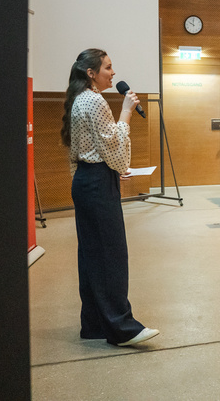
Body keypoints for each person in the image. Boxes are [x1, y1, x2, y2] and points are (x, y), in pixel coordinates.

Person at [62, 48, 159, 347]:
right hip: (97, 184)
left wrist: (110, 169)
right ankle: (121, 328)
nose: (113, 73)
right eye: (107, 67)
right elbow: (115, 147)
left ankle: (93, 324)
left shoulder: (79, 99)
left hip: (87, 180)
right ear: (91, 73)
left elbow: (88, 150)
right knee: (111, 255)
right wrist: (127, 112)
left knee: (92, 255)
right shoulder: (95, 101)